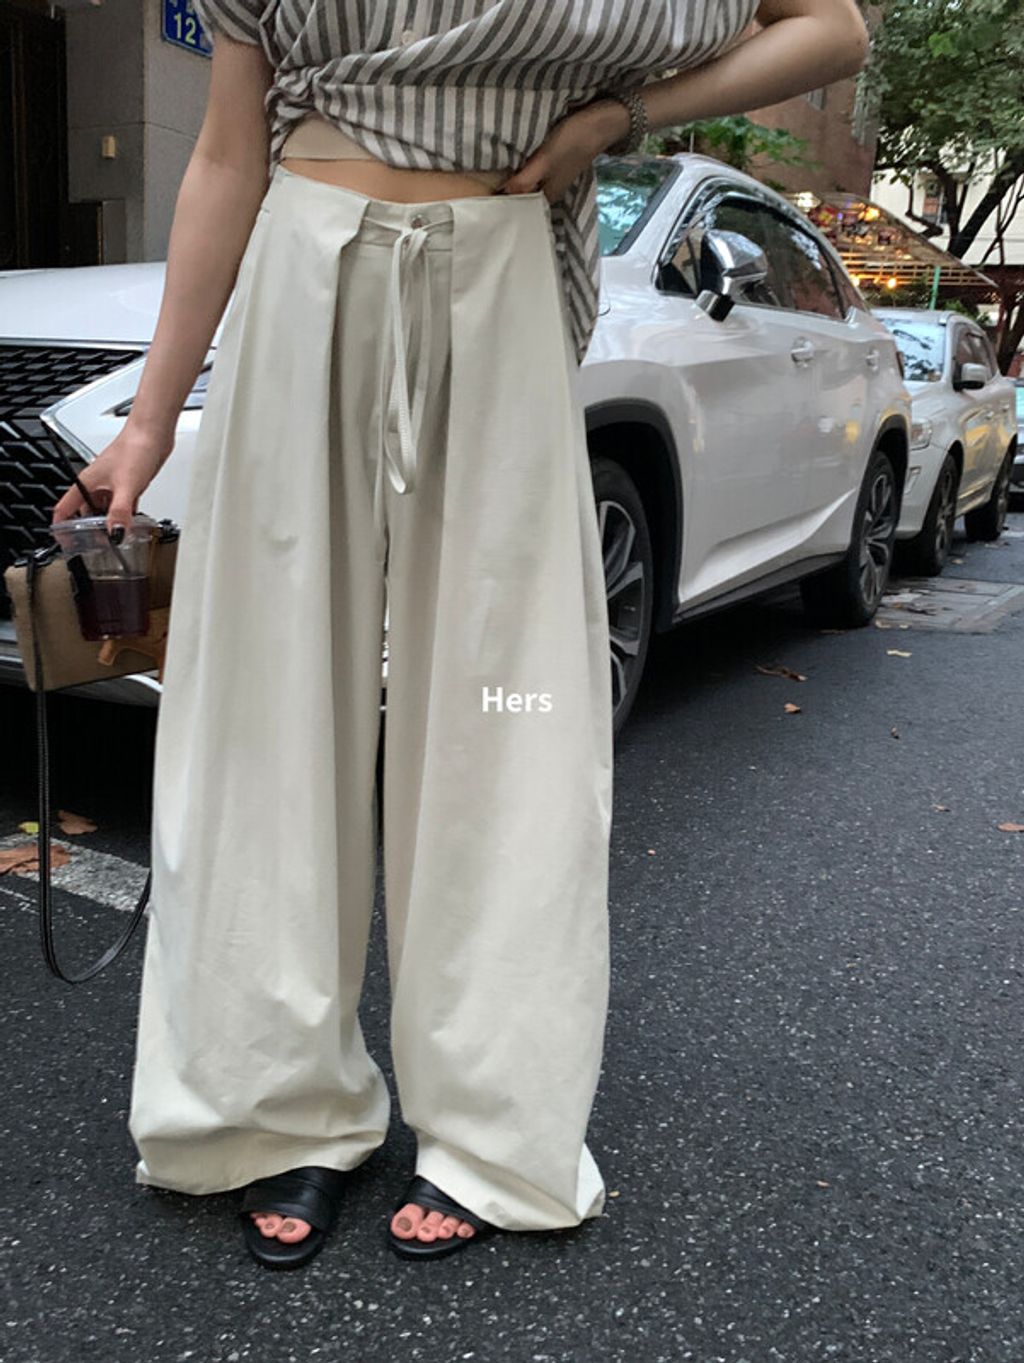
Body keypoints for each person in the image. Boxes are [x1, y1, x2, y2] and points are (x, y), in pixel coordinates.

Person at [51, 0, 870, 1269]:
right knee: (267, 709)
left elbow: (834, 31)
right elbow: (224, 150)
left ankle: (493, 1121)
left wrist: (623, 115)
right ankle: (273, 1103)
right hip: (303, 268)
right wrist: (151, 421)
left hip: (503, 275)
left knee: (509, 713)